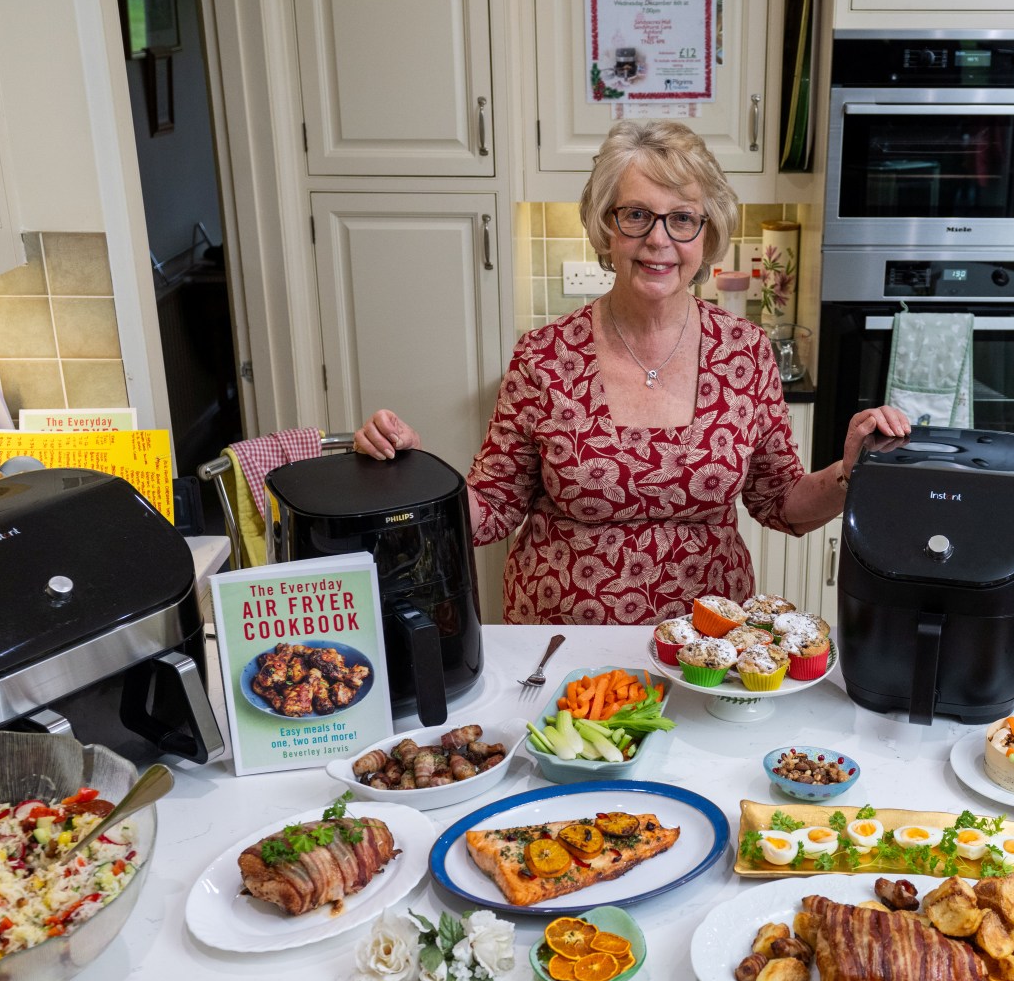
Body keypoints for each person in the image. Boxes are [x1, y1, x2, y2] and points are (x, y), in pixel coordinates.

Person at [355, 120, 908, 623]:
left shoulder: (744, 351)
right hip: (561, 643)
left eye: (683, 218)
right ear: (606, 229)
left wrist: (851, 472)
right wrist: (410, 478)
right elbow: (493, 508)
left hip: (705, 646)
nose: (659, 239)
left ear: (707, 234)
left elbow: (781, 502)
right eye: (637, 214)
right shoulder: (544, 356)